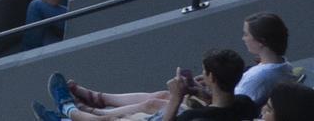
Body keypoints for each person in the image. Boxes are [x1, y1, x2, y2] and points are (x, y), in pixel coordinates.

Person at [51, 49, 253, 121]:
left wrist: (176, 97)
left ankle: (67, 109)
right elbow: (221, 105)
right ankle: (86, 106)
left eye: (204, 72)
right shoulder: (245, 103)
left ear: (212, 77)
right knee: (153, 103)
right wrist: (198, 91)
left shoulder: (196, 118)